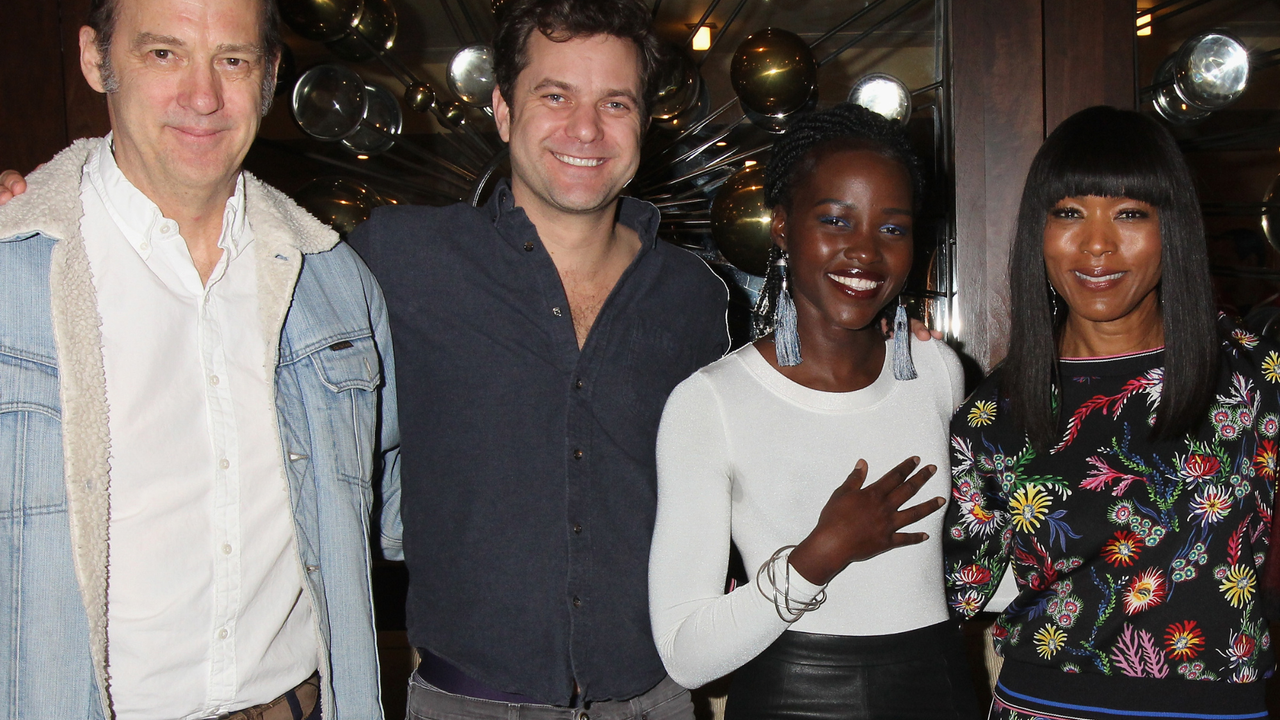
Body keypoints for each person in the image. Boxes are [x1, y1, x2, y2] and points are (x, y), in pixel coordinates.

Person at [0, 0, 399, 716]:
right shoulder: (11, 275)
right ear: (96, 60)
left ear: (271, 75)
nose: (203, 97)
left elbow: (400, 508)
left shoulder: (335, 287)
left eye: (234, 60)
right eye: (163, 54)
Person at [344, 0, 728, 717]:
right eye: (555, 96)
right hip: (469, 701)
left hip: (655, 701)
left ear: (643, 121)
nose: (586, 129)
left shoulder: (692, 298)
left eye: (615, 102)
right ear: (502, 110)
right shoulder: (401, 260)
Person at [944, 106, 1278, 720]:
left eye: (1130, 213)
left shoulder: (1253, 377)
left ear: (1170, 228)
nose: (1097, 244)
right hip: (1045, 704)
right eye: (1069, 214)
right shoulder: (996, 412)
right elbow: (958, 592)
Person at [648, 103, 978, 720]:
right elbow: (685, 655)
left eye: (893, 228)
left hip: (938, 692)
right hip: (788, 698)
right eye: (835, 220)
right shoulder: (710, 403)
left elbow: (967, 564)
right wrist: (820, 554)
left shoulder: (937, 372)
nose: (865, 252)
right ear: (781, 228)